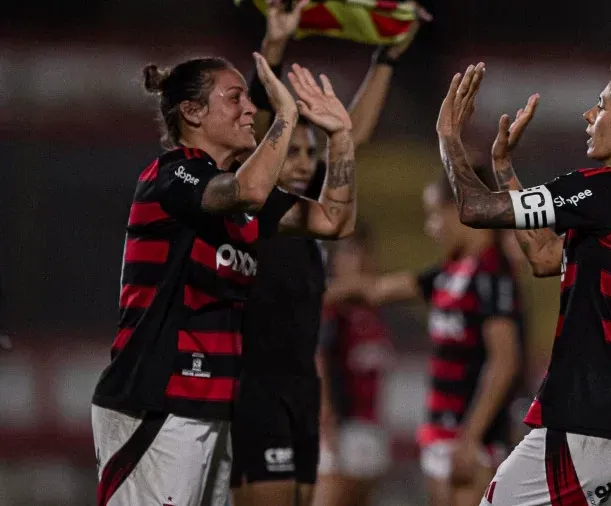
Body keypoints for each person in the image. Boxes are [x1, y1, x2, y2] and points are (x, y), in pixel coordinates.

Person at [434, 59, 611, 505]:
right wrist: (504, 167)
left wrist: (448, 138)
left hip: (590, 425)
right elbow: (546, 257)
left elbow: (473, 209)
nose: (589, 115)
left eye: (601, 106)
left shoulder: (606, 191)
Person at [91, 52, 355, 506]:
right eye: (235, 99)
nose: (250, 108)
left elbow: (334, 220)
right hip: (155, 402)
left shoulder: (240, 195)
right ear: (192, 112)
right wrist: (287, 115)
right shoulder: (172, 174)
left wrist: (342, 137)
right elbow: (248, 189)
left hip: (211, 406)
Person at [229, 2, 427, 506]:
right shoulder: (254, 202)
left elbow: (351, 138)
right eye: (290, 152)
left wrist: (386, 59)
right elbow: (257, 112)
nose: (301, 164)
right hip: (260, 379)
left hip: (298, 385)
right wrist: (273, 46)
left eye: (309, 153)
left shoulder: (306, 207)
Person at [328, 175, 523, 506]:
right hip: (441, 432)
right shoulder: (448, 274)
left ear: (459, 212)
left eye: (435, 215)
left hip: (472, 441)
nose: (431, 228)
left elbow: (505, 360)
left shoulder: (492, 274)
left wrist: (470, 437)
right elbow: (375, 291)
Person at [313, 222, 395, 506]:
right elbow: (318, 359)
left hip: (370, 426)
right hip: (340, 427)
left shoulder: (374, 309)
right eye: (349, 253)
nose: (358, 261)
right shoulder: (331, 308)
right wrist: (326, 418)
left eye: (362, 252)